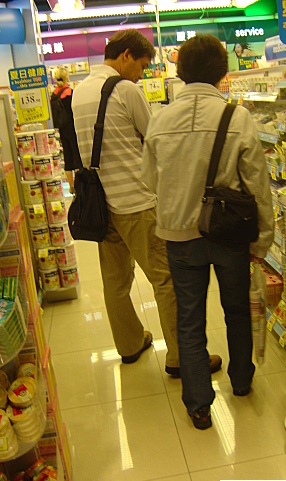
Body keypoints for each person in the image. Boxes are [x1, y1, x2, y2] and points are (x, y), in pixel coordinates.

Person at [142, 35, 274, 430]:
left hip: (180, 236)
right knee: (236, 309)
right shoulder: (238, 118)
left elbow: (150, 182)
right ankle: (242, 380)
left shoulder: (160, 119)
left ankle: (199, 404)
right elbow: (258, 186)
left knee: (189, 316)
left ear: (178, 71)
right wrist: (262, 241)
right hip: (230, 235)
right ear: (223, 71)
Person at [71, 30, 222, 376]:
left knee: (115, 283)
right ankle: (182, 357)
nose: (142, 73)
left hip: (100, 206)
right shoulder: (125, 90)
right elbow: (155, 139)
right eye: (141, 65)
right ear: (125, 56)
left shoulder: (79, 91)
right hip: (137, 203)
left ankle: (129, 344)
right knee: (165, 278)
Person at [50, 67, 83, 193]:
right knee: (77, 154)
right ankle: (80, 184)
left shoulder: (54, 94)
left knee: (67, 156)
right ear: (66, 78)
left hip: (62, 129)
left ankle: (71, 186)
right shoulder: (69, 92)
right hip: (72, 127)